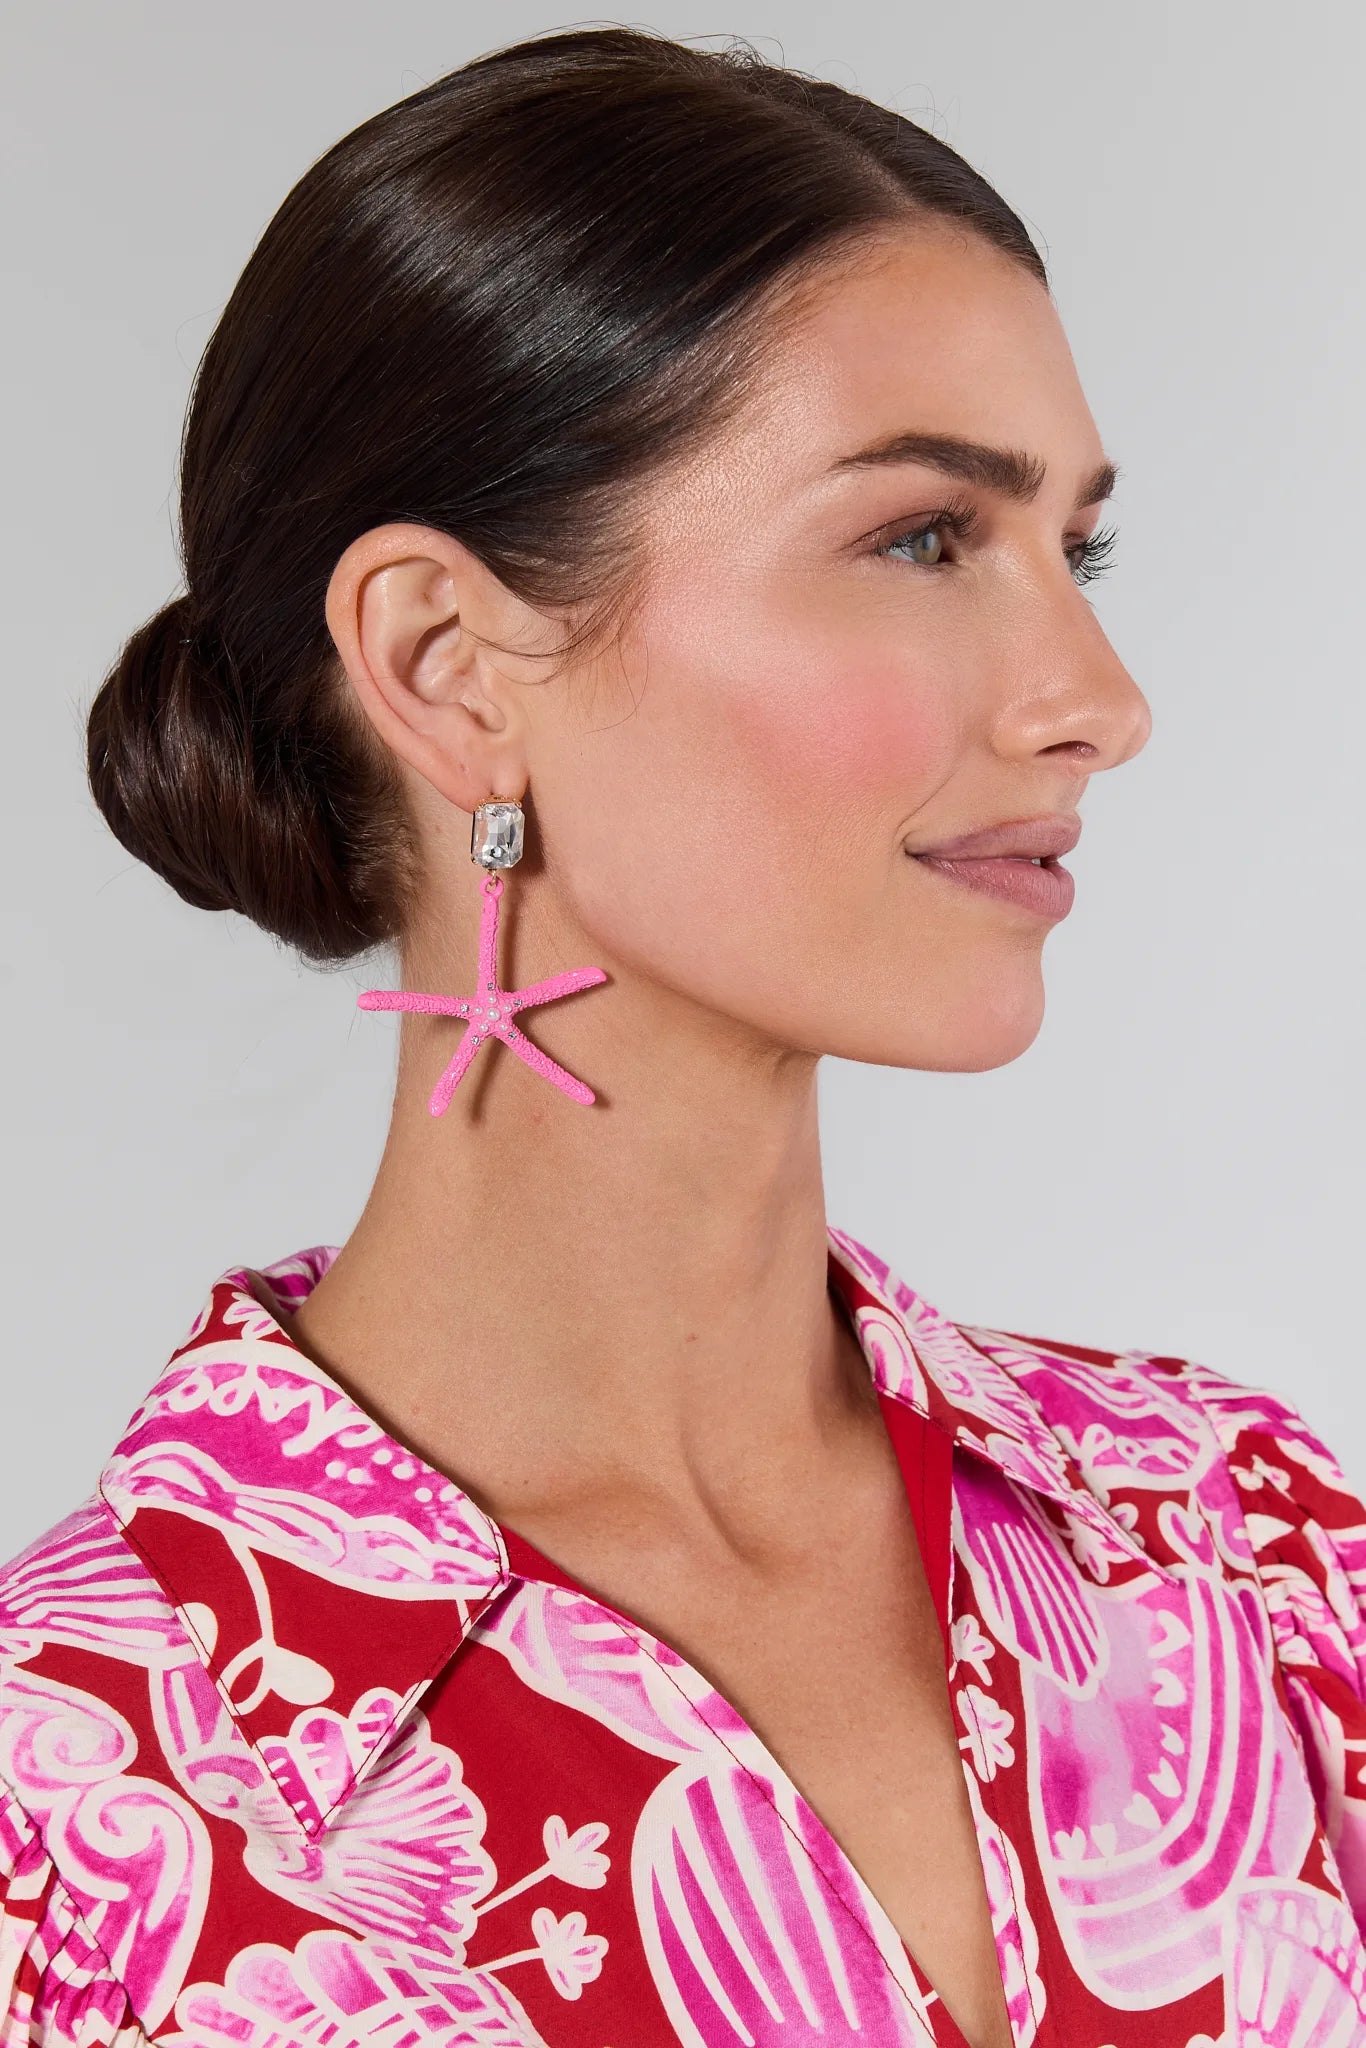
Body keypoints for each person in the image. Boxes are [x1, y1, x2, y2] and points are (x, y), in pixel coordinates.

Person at [3, 24, 1364, 2048]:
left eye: (1068, 548)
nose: (1093, 694)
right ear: (449, 667)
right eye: (922, 538)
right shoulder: (77, 1789)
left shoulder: (1255, 1542)